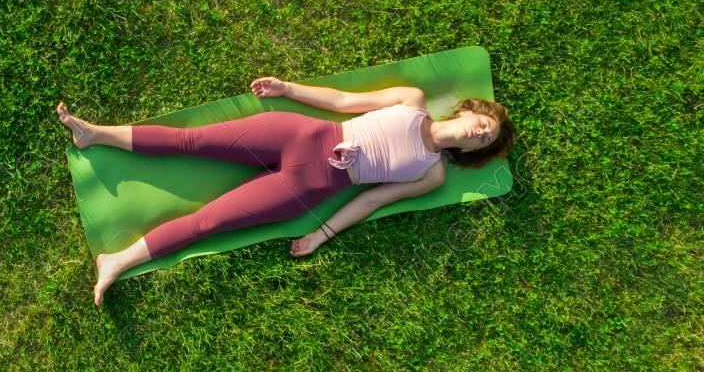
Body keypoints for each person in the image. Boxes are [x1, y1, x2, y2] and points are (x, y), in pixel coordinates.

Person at [57, 76, 515, 303]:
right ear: (467, 111)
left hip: (311, 185)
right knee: (190, 141)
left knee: (209, 222)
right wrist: (286, 87)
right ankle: (95, 133)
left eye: (486, 138)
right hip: (301, 134)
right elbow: (342, 102)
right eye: (482, 124)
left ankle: (115, 261)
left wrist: (321, 234)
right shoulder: (412, 100)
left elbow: (372, 199)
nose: (479, 132)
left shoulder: (431, 173)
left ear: (474, 150)